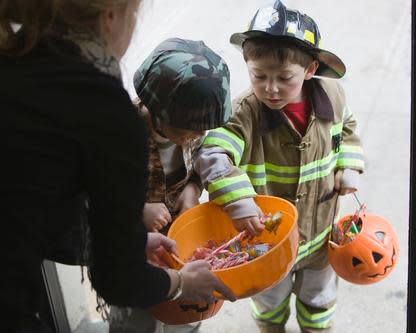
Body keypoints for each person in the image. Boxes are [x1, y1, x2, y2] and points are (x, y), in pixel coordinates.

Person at [0, 2, 235, 332]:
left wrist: (134, 236)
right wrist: (180, 281)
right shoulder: (104, 113)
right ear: (112, 15)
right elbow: (117, 278)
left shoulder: (17, 66)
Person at [194, 1, 365, 332]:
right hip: (267, 242)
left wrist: (349, 165)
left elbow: (348, 129)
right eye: (259, 75)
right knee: (268, 302)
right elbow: (212, 153)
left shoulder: (334, 96)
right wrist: (239, 201)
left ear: (310, 69)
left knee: (319, 301)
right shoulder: (244, 112)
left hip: (320, 237)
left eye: (284, 78)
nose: (270, 88)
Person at [109, 37, 232, 333]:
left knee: (186, 315)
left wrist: (192, 190)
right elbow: (95, 190)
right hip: (135, 251)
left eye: (204, 127)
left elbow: (201, 164)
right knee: (137, 320)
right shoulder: (121, 134)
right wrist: (138, 209)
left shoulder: (197, 130)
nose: (197, 134)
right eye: (188, 128)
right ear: (158, 111)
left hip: (181, 243)